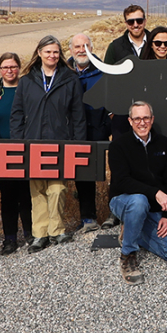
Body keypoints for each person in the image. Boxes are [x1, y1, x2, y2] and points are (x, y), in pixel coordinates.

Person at [11, 35, 86, 251]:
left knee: (57, 188)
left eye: (55, 52)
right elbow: (17, 114)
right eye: (48, 52)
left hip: (60, 143)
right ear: (39, 54)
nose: (52, 55)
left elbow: (78, 115)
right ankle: (39, 234)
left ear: (60, 55)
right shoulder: (26, 81)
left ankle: (57, 230)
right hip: (32, 143)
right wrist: (18, 142)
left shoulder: (70, 79)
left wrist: (77, 144)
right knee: (37, 190)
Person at [108, 101, 167, 284]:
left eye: (145, 118)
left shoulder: (163, 143)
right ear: (129, 121)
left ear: (152, 120)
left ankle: (131, 228)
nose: (141, 123)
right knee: (139, 201)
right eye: (137, 119)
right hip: (123, 200)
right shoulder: (119, 145)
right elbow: (122, 181)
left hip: (152, 208)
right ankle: (128, 256)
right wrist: (155, 192)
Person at [0, 54, 33, 254]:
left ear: (19, 68)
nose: (9, 70)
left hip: (26, 150)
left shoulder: (28, 90)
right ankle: (10, 237)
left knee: (26, 194)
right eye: (5, 67)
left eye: (13, 66)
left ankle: (30, 232)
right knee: (8, 196)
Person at [67, 34, 112, 233]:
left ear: (92, 48)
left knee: (108, 173)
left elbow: (111, 105)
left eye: (85, 46)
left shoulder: (104, 72)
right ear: (70, 50)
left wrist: (105, 128)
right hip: (73, 133)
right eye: (77, 46)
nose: (81, 50)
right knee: (81, 175)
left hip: (97, 132)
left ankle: (114, 215)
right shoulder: (64, 72)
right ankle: (88, 218)